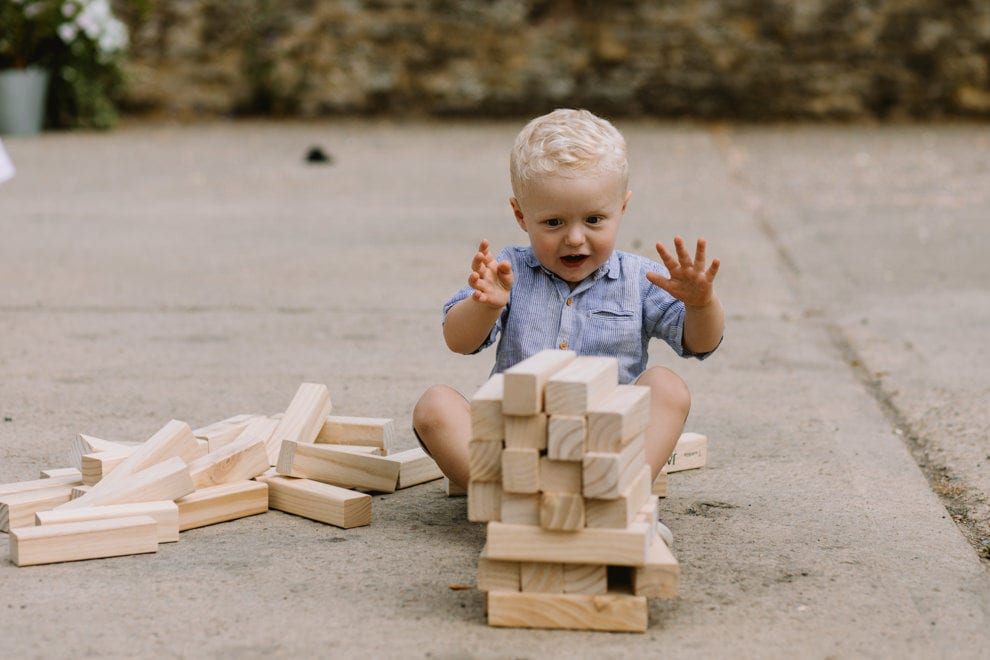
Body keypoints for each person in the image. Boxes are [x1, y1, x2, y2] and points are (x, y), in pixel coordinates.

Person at [413, 108, 723, 498]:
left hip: (606, 444)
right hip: (514, 444)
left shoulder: (640, 279)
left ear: (622, 209)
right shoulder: (508, 271)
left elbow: (701, 343)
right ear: (521, 215)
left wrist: (701, 305)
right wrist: (485, 305)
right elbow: (458, 341)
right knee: (434, 406)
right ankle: (517, 498)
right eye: (553, 223)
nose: (575, 238)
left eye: (594, 219)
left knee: (669, 386)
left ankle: (617, 492)